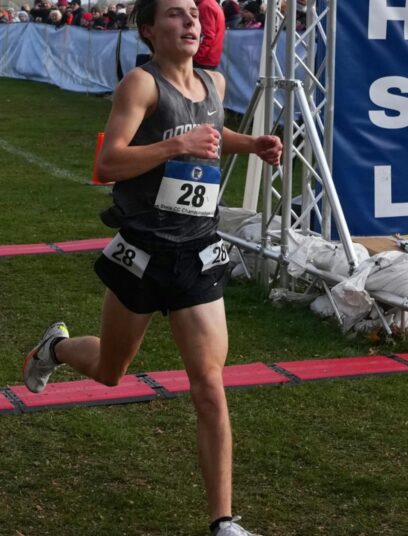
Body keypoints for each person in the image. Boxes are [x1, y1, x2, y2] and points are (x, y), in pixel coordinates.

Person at [22, 0, 282, 534]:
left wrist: (249, 144)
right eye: (174, 14)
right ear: (148, 29)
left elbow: (211, 135)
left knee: (209, 384)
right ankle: (56, 347)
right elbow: (107, 163)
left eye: (193, 13)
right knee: (112, 371)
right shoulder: (139, 86)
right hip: (141, 250)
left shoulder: (213, 85)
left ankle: (224, 523)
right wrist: (174, 146)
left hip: (197, 251)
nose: (190, 21)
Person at [193, 0, 225, 70]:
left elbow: (207, 36)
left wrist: (197, 57)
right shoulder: (212, 3)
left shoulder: (205, 6)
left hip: (204, 59)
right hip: (211, 56)